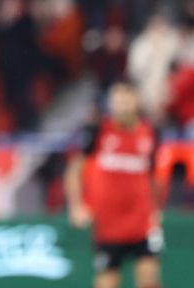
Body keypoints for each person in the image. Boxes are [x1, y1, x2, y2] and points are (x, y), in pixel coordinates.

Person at [64, 82, 163, 288]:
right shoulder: (98, 131)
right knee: (107, 282)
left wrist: (156, 209)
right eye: (117, 102)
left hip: (142, 223)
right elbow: (74, 171)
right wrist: (76, 206)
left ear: (136, 101)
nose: (122, 107)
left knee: (150, 279)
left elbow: (153, 176)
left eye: (126, 101)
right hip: (109, 226)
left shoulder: (150, 133)